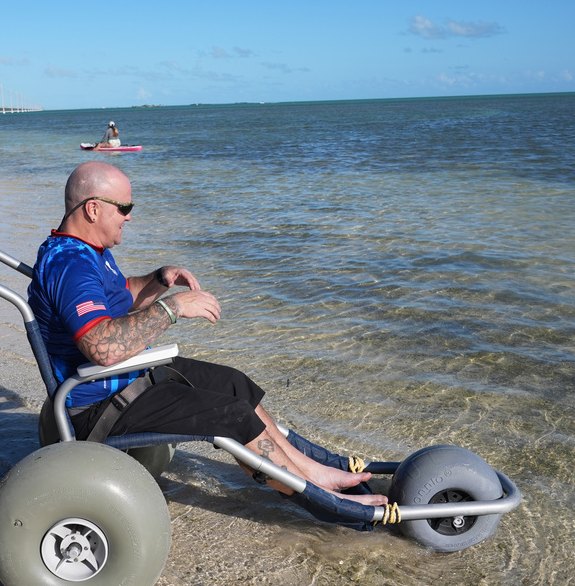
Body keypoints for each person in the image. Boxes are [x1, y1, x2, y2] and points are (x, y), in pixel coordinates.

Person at [28, 161, 388, 517]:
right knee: (231, 417)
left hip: (127, 381)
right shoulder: (70, 264)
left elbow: (121, 294)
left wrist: (159, 279)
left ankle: (313, 472)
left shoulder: (88, 251)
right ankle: (319, 498)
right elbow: (101, 347)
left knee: (235, 385)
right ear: (93, 208)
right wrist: (173, 309)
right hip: (100, 405)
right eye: (125, 207)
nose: (129, 216)